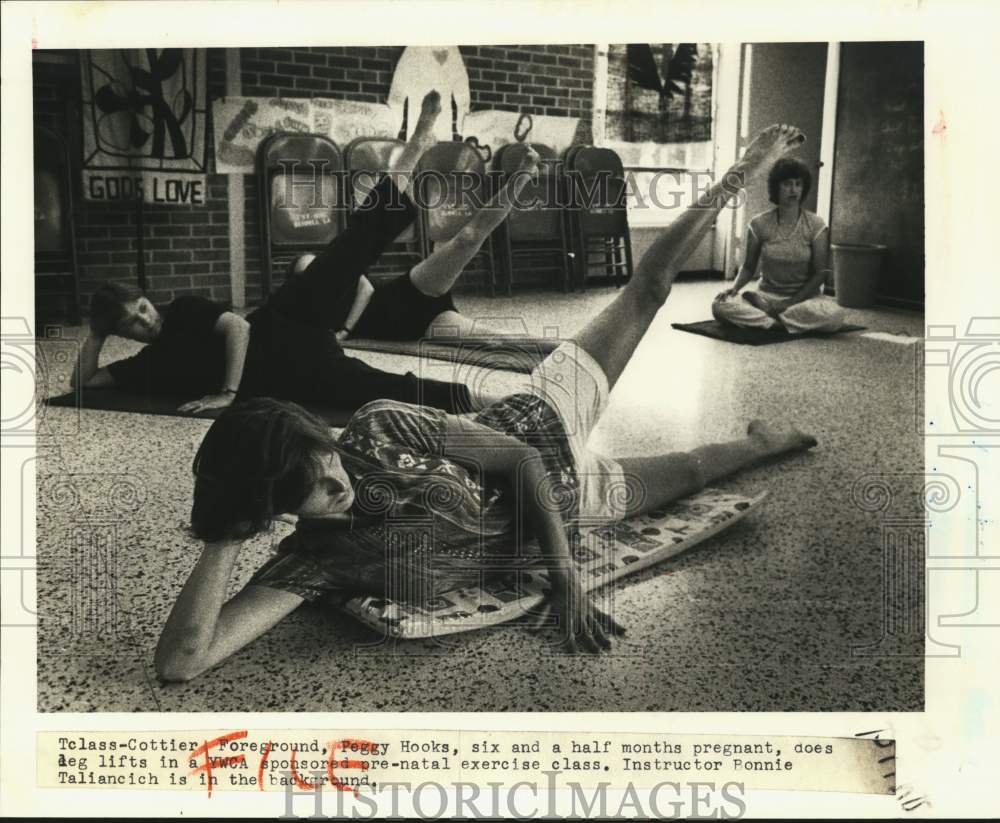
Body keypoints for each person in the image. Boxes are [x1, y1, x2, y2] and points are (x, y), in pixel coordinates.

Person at [155, 124, 819, 681]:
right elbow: (183, 661)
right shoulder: (312, 563)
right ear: (271, 510)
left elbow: (521, 456)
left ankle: (738, 170)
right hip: (578, 500)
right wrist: (225, 531)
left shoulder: (375, 426)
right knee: (698, 471)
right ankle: (770, 438)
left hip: (539, 422)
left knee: (647, 290)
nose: (340, 482)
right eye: (316, 491)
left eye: (327, 461)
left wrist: (564, 573)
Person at [71, 91, 534, 415]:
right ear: (122, 334)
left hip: (279, 321)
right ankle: (494, 401)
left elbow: (237, 328)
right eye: (131, 323)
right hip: (283, 374)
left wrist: (227, 392)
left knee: (350, 248)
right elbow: (83, 385)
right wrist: (95, 334)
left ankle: (414, 150)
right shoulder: (142, 367)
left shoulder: (184, 311)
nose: (146, 321)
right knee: (375, 388)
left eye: (143, 308)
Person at [712, 157, 846, 333]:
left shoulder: (816, 225)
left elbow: (820, 273)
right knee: (720, 305)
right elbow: (748, 267)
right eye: (787, 184)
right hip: (766, 297)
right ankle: (779, 323)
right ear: (776, 187)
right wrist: (734, 289)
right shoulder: (759, 223)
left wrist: (789, 303)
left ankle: (769, 322)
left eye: (798, 184)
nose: (793, 190)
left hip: (803, 299)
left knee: (835, 316)